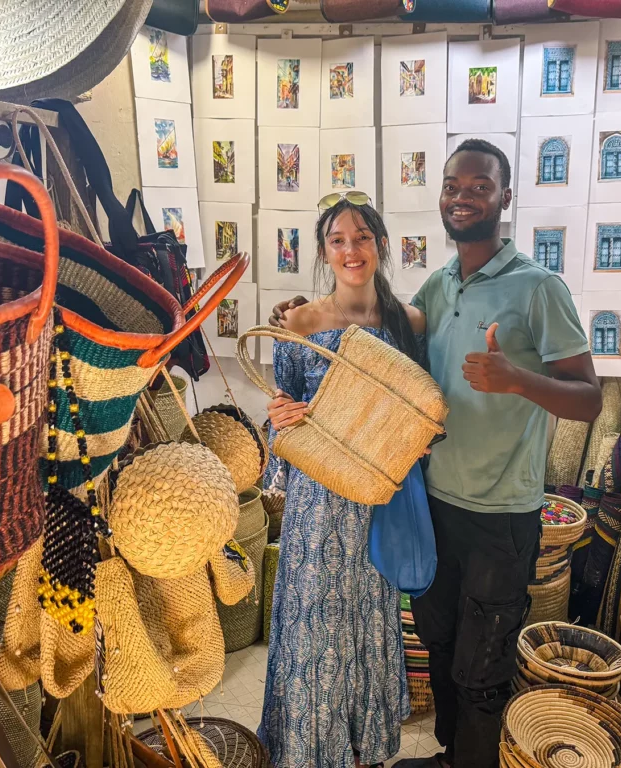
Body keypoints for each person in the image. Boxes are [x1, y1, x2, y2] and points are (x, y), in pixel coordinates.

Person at [270, 140, 603, 768]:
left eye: (481, 186)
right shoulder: (439, 285)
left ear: (505, 198)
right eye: (454, 185)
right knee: (442, 644)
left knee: (484, 664)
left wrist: (516, 379)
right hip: (430, 501)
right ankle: (450, 755)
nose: (464, 196)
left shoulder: (539, 288)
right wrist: (301, 318)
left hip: (501, 511)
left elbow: (588, 399)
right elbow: (373, 338)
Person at [259, 192, 426, 768]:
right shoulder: (300, 322)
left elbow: (421, 413)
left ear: (380, 244)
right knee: (312, 625)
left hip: (377, 500)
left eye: (361, 237)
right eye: (338, 240)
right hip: (314, 505)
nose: (351, 249)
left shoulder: (410, 324)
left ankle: (361, 747)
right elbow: (278, 415)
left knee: (369, 620)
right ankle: (306, 749)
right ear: (324, 251)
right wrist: (278, 418)